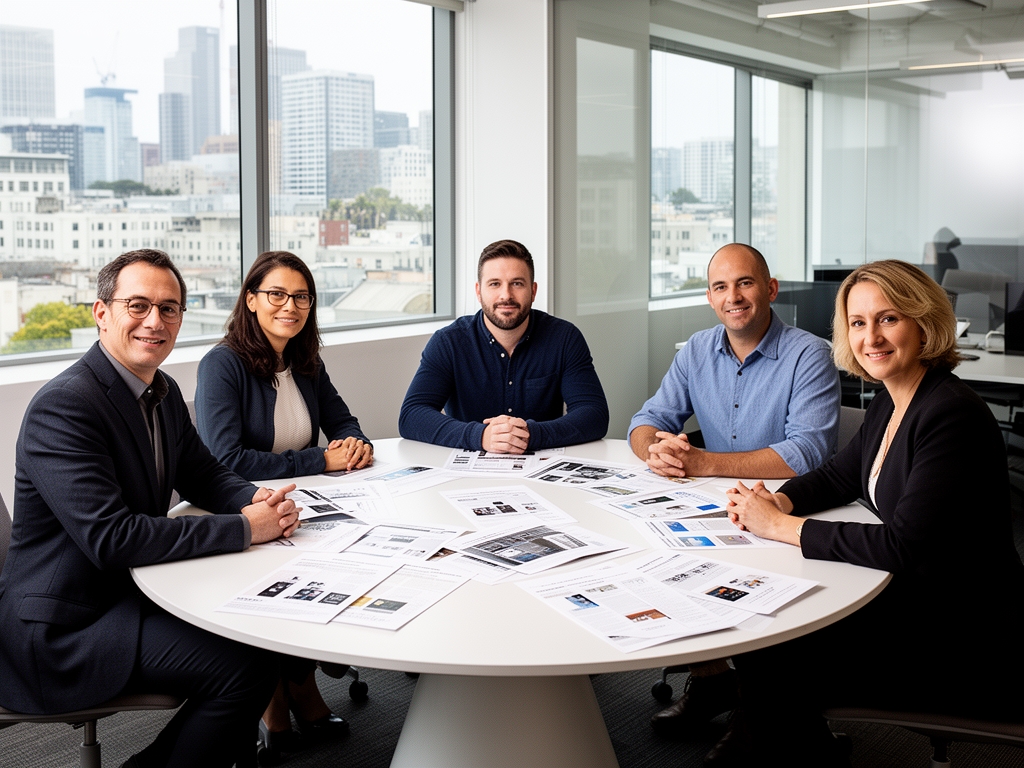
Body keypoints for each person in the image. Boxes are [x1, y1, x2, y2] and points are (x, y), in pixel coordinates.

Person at [712, 260, 1024, 766]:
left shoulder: (950, 413)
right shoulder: (893, 397)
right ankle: (787, 742)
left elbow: (902, 545)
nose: (871, 337)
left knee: (774, 646)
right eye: (858, 323)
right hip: (914, 601)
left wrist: (783, 527)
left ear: (923, 322)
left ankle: (778, 745)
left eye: (888, 319)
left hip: (963, 631)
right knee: (768, 629)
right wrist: (779, 500)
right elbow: (841, 474)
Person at [0, 249, 300, 768]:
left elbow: (202, 473)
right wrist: (244, 529)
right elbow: (111, 539)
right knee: (244, 668)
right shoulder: (66, 404)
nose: (154, 321)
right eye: (137, 305)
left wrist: (253, 498)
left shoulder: (159, 389)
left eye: (170, 308)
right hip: (64, 626)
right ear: (101, 312)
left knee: (261, 625)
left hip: (122, 594)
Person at [628, 243, 841, 736]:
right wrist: (652, 451)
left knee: (752, 597)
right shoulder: (698, 350)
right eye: (721, 287)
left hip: (789, 513)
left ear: (769, 289)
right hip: (720, 507)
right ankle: (713, 681)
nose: (734, 296)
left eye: (744, 283)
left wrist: (703, 462)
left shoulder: (808, 355)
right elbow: (648, 420)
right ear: (709, 297)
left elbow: (805, 452)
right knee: (657, 560)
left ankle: (759, 720)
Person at [196, 250, 369, 759]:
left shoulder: (305, 361)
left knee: (336, 560)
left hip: (300, 502)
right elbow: (227, 459)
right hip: (239, 508)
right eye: (276, 294)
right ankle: (278, 696)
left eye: (301, 297)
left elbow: (345, 422)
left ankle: (297, 685)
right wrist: (320, 461)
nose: (289, 306)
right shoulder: (221, 364)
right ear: (251, 300)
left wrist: (354, 445)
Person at [399, 239, 609, 452]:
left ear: (533, 291)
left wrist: (529, 435)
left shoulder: (564, 338)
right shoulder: (448, 342)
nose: (506, 295)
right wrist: (480, 436)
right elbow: (412, 414)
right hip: (466, 469)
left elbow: (594, 414)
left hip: (543, 467)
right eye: (494, 284)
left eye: (517, 283)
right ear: (479, 291)